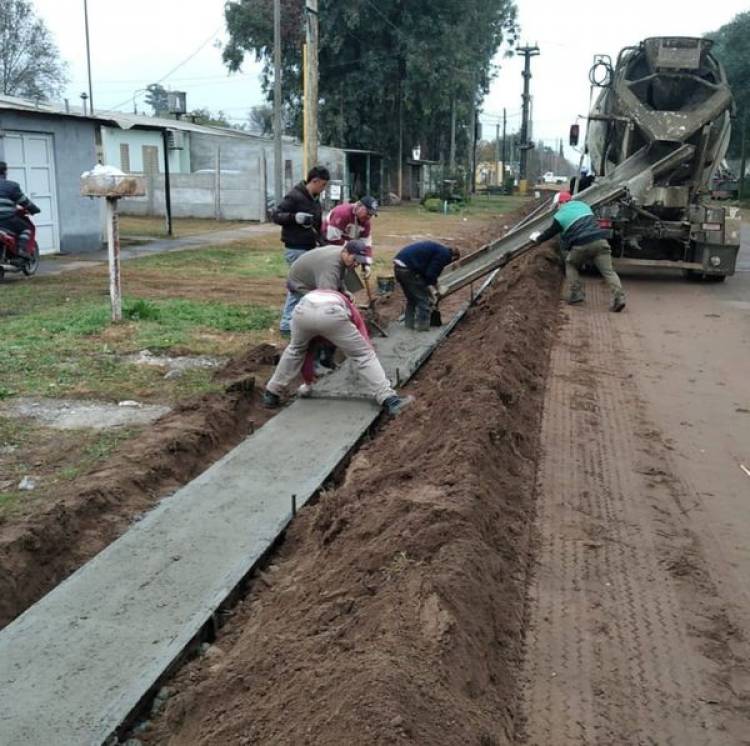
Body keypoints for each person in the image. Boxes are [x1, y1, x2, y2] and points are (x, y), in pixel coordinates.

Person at [262, 288, 413, 416]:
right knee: (363, 355)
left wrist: (308, 384)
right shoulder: (349, 306)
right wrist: (367, 347)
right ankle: (389, 399)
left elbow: (307, 354)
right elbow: (361, 333)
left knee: (295, 351)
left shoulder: (319, 294)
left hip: (302, 311)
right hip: (331, 313)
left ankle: (271, 393)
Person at [530, 191, 626, 312]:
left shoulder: (560, 215)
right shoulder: (584, 206)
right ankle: (619, 297)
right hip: (601, 242)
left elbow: (550, 233)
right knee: (609, 271)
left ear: (561, 203)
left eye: (557, 205)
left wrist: (537, 238)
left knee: (571, 263)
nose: (557, 208)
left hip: (582, 244)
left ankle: (576, 293)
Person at [272, 165, 331, 335]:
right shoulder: (295, 196)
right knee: (299, 285)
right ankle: (286, 324)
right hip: (295, 248)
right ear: (315, 181)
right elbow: (275, 215)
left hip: (309, 247)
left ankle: (301, 320)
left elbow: (316, 226)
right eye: (323, 185)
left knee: (308, 285)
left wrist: (323, 243)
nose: (324, 188)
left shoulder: (314, 199)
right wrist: (294, 218)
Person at [393, 241, 460, 331]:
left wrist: (431, 290)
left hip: (399, 266)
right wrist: (438, 288)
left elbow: (425, 276)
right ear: (453, 257)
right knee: (424, 301)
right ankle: (422, 328)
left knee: (412, 299)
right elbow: (430, 275)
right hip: (408, 269)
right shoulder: (445, 255)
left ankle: (408, 326)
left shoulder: (437, 249)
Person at [0, 161, 40, 258]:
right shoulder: (11, 186)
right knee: (26, 228)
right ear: (5, 172)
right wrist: (34, 209)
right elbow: (24, 201)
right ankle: (21, 250)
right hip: (6, 219)